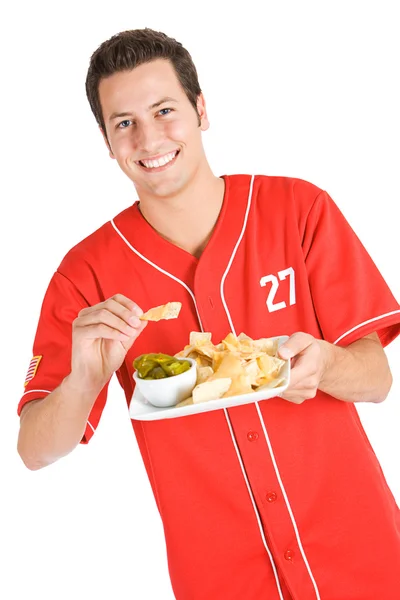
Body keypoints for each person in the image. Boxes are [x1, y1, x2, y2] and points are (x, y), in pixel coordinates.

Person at [17, 28, 400, 600]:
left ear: (200, 110)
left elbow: (377, 380)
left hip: (362, 553)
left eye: (164, 110)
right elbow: (34, 449)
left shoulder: (298, 209)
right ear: (107, 141)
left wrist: (326, 365)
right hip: (220, 578)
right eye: (124, 123)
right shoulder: (85, 274)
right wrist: (84, 380)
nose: (148, 138)